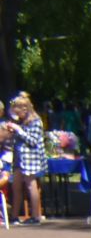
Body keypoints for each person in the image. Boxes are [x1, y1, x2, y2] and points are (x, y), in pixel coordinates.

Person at [2, 93, 47, 223]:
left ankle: (35, 216)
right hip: (18, 158)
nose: (17, 115)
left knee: (30, 185)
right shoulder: (20, 122)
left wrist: (19, 130)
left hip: (30, 159)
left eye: (18, 111)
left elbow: (33, 141)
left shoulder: (36, 122)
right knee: (15, 186)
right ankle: (14, 216)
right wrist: (9, 131)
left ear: (25, 109)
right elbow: (15, 139)